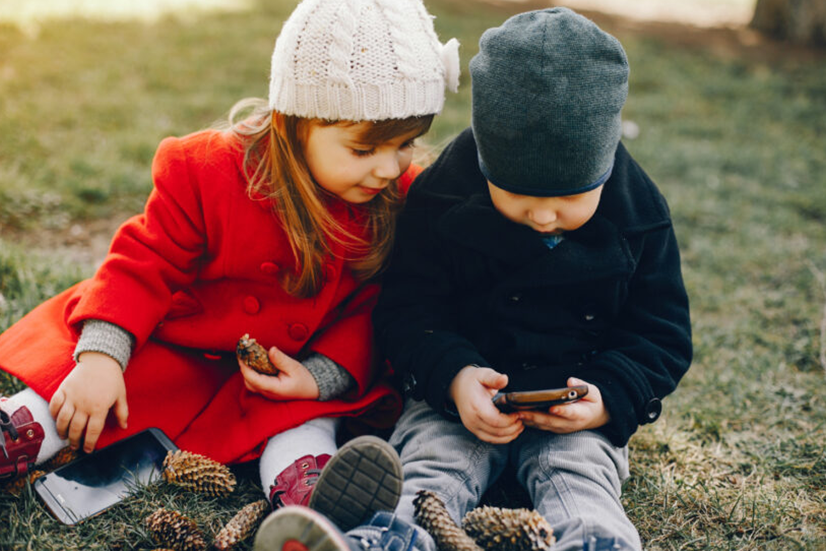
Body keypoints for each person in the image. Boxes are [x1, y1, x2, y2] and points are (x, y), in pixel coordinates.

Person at [0, 0, 459, 526]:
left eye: (406, 145)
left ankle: (311, 492)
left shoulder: (399, 200)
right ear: (295, 124)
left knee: (300, 424)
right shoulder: (209, 172)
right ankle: (21, 426)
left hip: (291, 372)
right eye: (363, 149)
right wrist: (102, 358)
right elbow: (143, 262)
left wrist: (320, 378)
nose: (387, 166)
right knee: (87, 397)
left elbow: (376, 305)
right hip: (178, 347)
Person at [253, 7, 692, 551]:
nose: (545, 217)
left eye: (571, 199)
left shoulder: (639, 213)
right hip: (456, 401)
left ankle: (597, 542)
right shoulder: (441, 196)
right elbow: (410, 308)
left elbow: (662, 334)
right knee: (430, 467)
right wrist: (455, 378)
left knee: (582, 481)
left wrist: (606, 399)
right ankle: (389, 541)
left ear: (604, 166)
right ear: (485, 163)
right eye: (521, 199)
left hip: (576, 407)